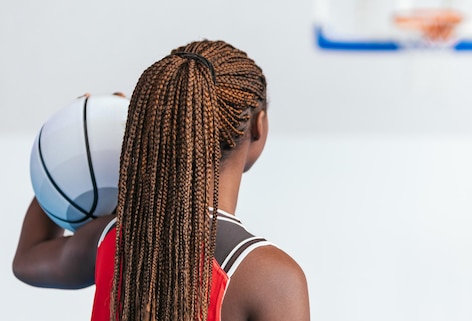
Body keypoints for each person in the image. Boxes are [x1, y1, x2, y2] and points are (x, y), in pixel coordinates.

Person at [13, 40, 310, 321]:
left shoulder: (114, 236)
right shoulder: (271, 278)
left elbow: (27, 259)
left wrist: (74, 146)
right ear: (258, 127)